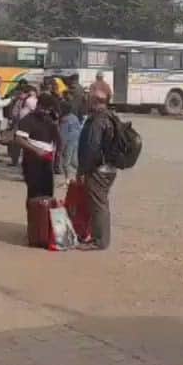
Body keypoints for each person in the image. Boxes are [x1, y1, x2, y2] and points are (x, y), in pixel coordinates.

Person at [76, 95, 121, 250]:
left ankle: (100, 241)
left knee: (99, 205)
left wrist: (83, 170)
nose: (86, 103)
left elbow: (92, 148)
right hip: (110, 168)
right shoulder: (111, 117)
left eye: (89, 101)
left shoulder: (97, 121)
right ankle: (99, 237)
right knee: (101, 203)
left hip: (98, 170)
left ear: (95, 103)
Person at [16, 93, 60, 201]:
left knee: (48, 194)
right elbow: (19, 139)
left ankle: (44, 217)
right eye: (44, 109)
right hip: (32, 162)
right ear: (38, 105)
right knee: (34, 195)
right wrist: (37, 150)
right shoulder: (28, 119)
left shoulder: (50, 121)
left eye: (48, 110)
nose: (46, 112)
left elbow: (57, 140)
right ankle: (33, 217)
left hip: (47, 163)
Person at [9, 84, 38, 167]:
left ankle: (25, 162)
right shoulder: (21, 101)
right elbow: (15, 111)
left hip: (27, 125)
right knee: (17, 143)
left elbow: (34, 111)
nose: (21, 94)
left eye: (23, 93)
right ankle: (15, 160)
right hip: (19, 123)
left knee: (25, 144)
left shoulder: (31, 101)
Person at [58, 101, 83, 182]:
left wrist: (61, 148)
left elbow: (63, 135)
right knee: (74, 162)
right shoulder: (74, 117)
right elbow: (79, 130)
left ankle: (67, 180)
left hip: (69, 143)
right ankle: (82, 175)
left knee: (66, 163)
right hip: (76, 141)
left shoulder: (64, 120)